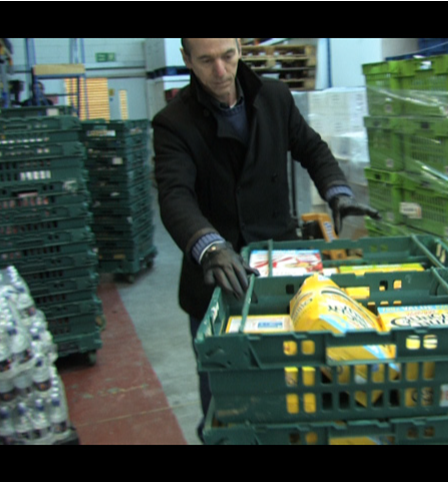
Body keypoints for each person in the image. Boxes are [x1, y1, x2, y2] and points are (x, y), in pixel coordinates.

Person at [151, 38, 380, 441]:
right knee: (223, 396)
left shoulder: (274, 97)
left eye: (227, 56)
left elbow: (312, 148)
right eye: (206, 60)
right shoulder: (173, 122)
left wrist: (338, 192)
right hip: (217, 278)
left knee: (291, 383)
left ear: (240, 47)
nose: (220, 71)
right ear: (186, 59)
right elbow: (175, 196)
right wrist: (209, 245)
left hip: (280, 268)